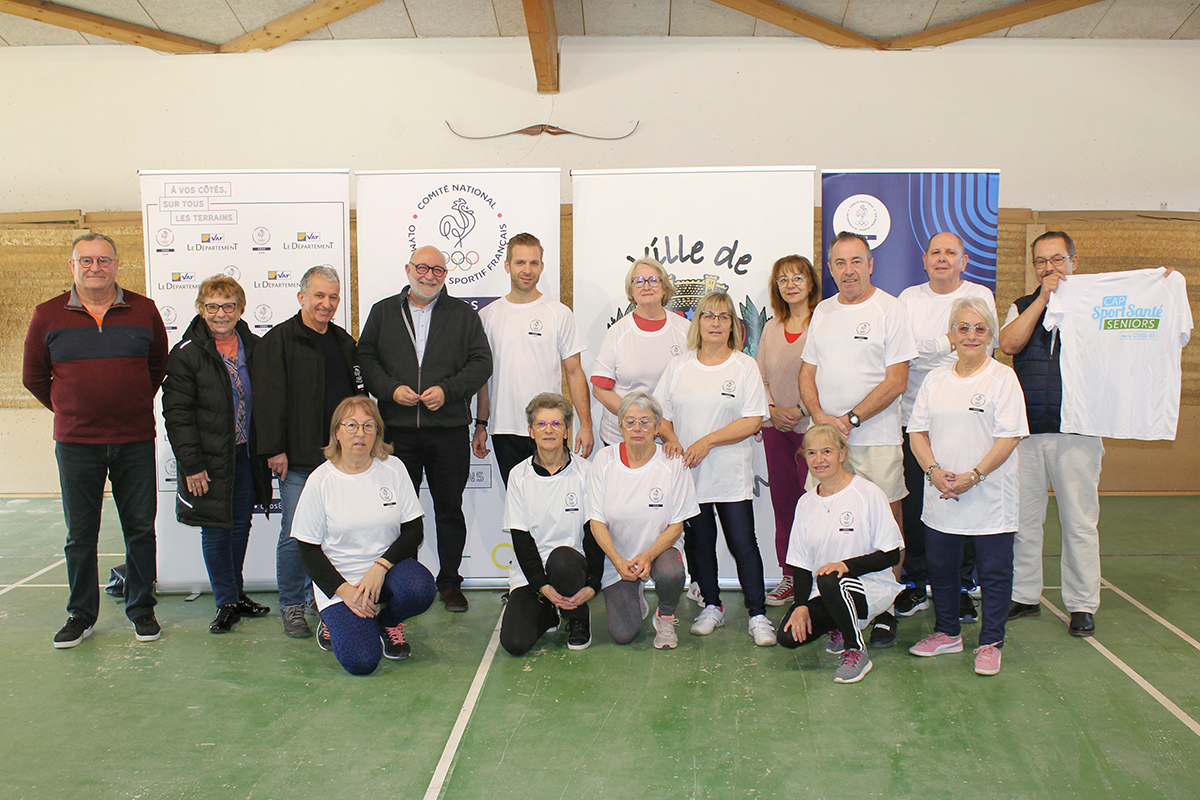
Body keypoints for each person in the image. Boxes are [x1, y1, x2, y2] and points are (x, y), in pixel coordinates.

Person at [23, 233, 167, 648]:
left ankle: (141, 610)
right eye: (85, 260)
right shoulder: (47, 315)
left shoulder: (144, 310)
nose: (95, 267)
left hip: (134, 440)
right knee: (80, 535)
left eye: (103, 260)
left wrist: (127, 403)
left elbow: (157, 366)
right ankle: (81, 615)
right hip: (76, 444)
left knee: (140, 530)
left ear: (117, 265)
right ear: (72, 266)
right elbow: (33, 376)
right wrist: (70, 409)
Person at [358, 245, 492, 613]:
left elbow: (481, 362)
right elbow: (365, 357)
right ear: (408, 270)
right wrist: (390, 390)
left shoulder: (463, 315)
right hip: (396, 432)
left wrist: (448, 391)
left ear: (445, 275)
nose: (429, 276)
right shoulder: (383, 312)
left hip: (447, 430)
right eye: (422, 268)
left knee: (449, 509)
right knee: (397, 512)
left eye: (438, 270)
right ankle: (403, 582)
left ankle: (449, 582)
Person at [799, 231, 917, 648]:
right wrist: (820, 418)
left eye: (856, 262)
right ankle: (836, 606)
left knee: (888, 523)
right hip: (828, 439)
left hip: (877, 437)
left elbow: (897, 380)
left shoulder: (891, 309)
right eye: (839, 263)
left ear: (870, 265)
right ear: (830, 269)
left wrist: (850, 419)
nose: (848, 270)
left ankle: (886, 610)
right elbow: (807, 372)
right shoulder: (823, 311)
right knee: (829, 521)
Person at [907, 298, 1028, 676]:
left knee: (993, 572)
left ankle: (991, 642)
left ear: (991, 335)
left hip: (989, 493)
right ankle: (947, 633)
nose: (971, 335)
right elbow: (917, 432)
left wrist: (974, 475)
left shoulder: (1002, 378)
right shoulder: (935, 379)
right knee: (941, 567)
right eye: (963, 328)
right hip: (942, 491)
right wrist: (933, 471)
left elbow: (1009, 437)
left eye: (979, 328)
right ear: (952, 334)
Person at [656, 291, 775, 647]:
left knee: (743, 543)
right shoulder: (679, 366)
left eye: (723, 317)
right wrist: (672, 439)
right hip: (690, 475)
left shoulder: (744, 366)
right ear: (698, 323)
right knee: (700, 543)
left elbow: (753, 420)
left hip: (730, 475)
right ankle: (712, 605)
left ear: (732, 326)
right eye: (708, 315)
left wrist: (707, 441)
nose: (715, 323)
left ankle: (757, 615)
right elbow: (661, 417)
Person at [999, 231, 1102, 637]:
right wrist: (1042, 299)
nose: (1049, 268)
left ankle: (1082, 604)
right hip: (1027, 432)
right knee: (1025, 520)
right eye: (1041, 261)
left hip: (1077, 431)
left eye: (1057, 259)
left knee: (1078, 521)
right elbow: (1008, 344)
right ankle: (1025, 595)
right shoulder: (1022, 305)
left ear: (1074, 261)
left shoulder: (1095, 308)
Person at [291, 396, 436, 675]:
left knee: (420, 588)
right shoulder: (320, 480)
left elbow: (413, 529)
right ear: (337, 432)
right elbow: (308, 550)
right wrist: (346, 592)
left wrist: (380, 567)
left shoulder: (393, 468)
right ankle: (333, 618)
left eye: (369, 426)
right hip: (341, 582)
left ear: (377, 432)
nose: (361, 433)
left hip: (384, 573)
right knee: (362, 663)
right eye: (352, 425)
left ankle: (387, 622)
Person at [253, 265, 361, 638]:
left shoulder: (344, 342)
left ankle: (319, 597)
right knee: (295, 535)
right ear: (302, 297)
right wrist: (274, 449)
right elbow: (267, 402)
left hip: (339, 461)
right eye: (319, 296)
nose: (326, 303)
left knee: (332, 536)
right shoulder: (278, 341)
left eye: (333, 297)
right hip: (297, 460)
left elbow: (357, 398)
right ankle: (292, 605)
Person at [896, 233, 1000, 622]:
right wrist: (945, 343)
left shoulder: (980, 295)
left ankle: (960, 588)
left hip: (969, 422)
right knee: (916, 506)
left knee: (963, 501)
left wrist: (931, 349)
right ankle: (916, 583)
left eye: (950, 253)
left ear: (964, 261)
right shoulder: (909, 299)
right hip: (914, 422)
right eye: (935, 253)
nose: (942, 259)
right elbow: (905, 354)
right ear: (924, 260)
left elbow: (982, 351)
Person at [163, 276, 273, 634]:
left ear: (240, 309)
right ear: (201, 309)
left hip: (246, 456)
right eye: (212, 306)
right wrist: (192, 464)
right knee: (215, 528)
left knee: (240, 525)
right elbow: (177, 415)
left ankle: (236, 594)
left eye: (228, 306)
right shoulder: (186, 354)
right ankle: (225, 601)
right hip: (207, 462)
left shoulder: (255, 348)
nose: (220, 313)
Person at [776, 424, 903, 684]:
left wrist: (846, 565)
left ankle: (855, 649)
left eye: (827, 451)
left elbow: (891, 555)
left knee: (829, 577)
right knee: (787, 637)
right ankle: (838, 623)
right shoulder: (806, 503)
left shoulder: (868, 493)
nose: (819, 460)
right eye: (812, 453)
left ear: (842, 454)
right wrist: (800, 606)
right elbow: (801, 564)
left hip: (870, 587)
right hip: (827, 590)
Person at [473, 233, 593, 485]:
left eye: (533, 263)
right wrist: (481, 424)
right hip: (504, 428)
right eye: (520, 262)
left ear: (541, 266)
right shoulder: (487, 316)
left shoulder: (559, 313)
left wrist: (586, 425)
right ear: (507, 265)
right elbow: (483, 378)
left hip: (549, 428)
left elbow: (574, 373)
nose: (527, 270)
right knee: (517, 501)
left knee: (555, 498)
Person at [587, 392, 699, 649]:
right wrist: (618, 561)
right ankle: (634, 593)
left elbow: (677, 525)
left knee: (671, 573)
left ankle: (665, 616)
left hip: (659, 550)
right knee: (624, 635)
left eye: (645, 422)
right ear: (620, 426)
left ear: (658, 427)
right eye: (630, 421)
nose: (637, 428)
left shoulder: (673, 462)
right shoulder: (603, 460)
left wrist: (647, 556)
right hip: (618, 558)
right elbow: (596, 522)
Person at [499, 393, 603, 656]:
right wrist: (541, 586)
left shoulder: (586, 472)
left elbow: (594, 532)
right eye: (541, 424)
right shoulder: (518, 476)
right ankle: (548, 611)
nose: (549, 430)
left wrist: (593, 583)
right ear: (530, 431)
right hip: (533, 574)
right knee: (514, 643)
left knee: (561, 560)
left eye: (556, 424)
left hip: (572, 567)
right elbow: (521, 539)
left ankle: (578, 617)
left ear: (567, 431)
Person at [756, 255, 820, 608]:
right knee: (784, 504)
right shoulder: (771, 328)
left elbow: (829, 374)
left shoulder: (823, 323)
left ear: (811, 283)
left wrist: (800, 410)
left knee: (815, 503)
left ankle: (818, 577)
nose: (791, 284)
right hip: (775, 429)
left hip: (812, 431)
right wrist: (772, 411)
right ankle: (790, 575)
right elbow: (760, 377)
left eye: (798, 277)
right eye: (783, 279)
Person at [591, 258, 690, 447]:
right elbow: (600, 389)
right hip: (623, 439)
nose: (646, 286)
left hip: (669, 440)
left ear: (664, 287)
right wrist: (636, 419)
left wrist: (660, 426)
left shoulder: (685, 330)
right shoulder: (618, 332)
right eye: (639, 281)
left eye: (653, 280)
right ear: (631, 290)